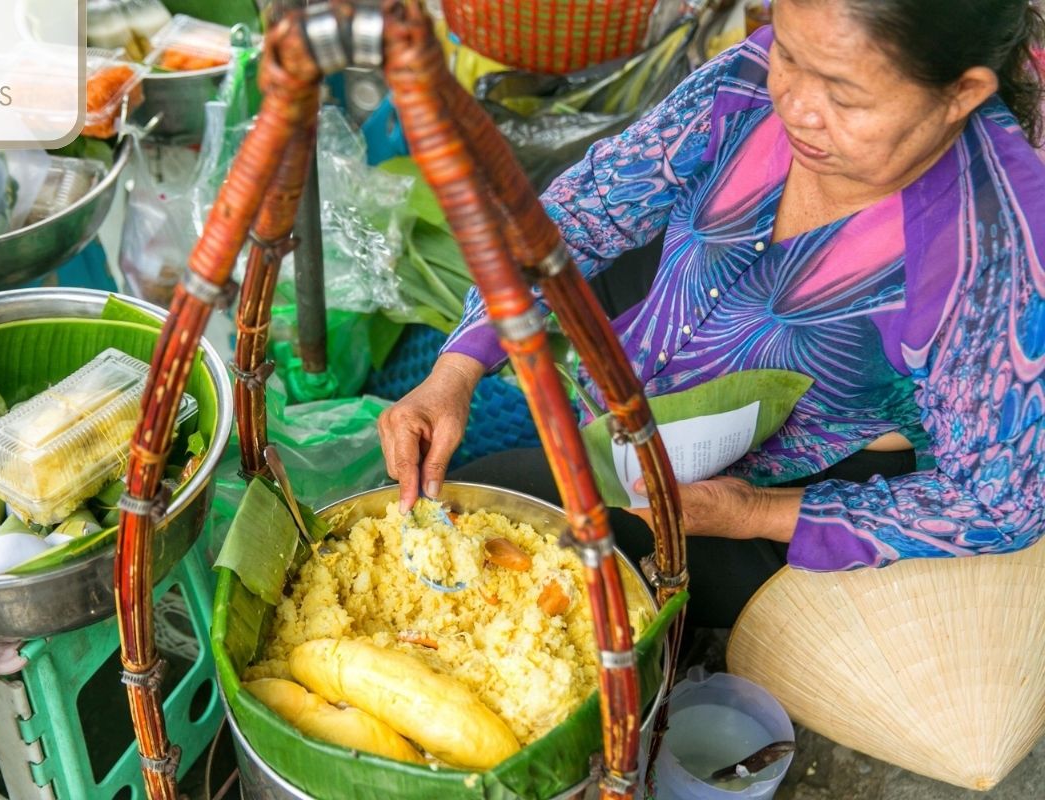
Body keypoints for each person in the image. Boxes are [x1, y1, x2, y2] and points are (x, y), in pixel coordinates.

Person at [377, 0, 1045, 628]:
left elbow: (1001, 503)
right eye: (789, 53)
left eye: (844, 95)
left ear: (961, 94)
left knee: (541, 579)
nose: (797, 107)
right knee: (433, 516)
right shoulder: (747, 84)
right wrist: (457, 369)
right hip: (642, 411)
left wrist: (753, 511)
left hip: (776, 496)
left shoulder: (990, 260)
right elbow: (578, 215)